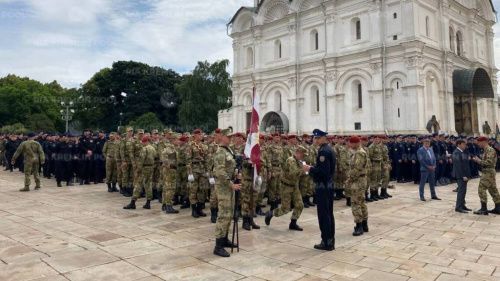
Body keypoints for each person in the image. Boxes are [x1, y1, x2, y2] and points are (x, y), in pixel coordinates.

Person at [303, 129, 336, 251]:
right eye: (314, 138)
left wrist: (309, 169)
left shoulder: (324, 152)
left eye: (317, 138)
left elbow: (323, 172)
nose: (315, 140)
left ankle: (327, 241)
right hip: (327, 185)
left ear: (323, 138)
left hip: (323, 186)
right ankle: (329, 240)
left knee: (324, 215)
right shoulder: (327, 149)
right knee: (328, 214)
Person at [265, 145, 306, 231]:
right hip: (286, 187)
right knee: (285, 209)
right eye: (303, 154)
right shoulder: (291, 160)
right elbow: (293, 174)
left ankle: (293, 223)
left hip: (294, 186)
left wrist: (304, 169)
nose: (303, 156)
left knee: (300, 205)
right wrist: (304, 170)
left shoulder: (298, 161)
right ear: (298, 153)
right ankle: (271, 213)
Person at [212, 129, 240, 257]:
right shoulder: (220, 152)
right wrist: (231, 183)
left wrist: (236, 174)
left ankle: (224, 239)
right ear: (222, 137)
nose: (230, 139)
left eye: (231, 136)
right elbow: (220, 172)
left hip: (230, 187)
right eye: (228, 137)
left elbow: (231, 167)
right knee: (223, 214)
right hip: (223, 187)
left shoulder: (229, 150)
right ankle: (218, 246)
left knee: (229, 214)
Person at [123, 136, 156, 210]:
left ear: (146, 141)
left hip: (144, 168)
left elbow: (141, 161)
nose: (143, 143)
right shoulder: (153, 148)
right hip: (150, 168)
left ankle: (133, 202)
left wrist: (138, 170)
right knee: (148, 185)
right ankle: (148, 203)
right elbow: (155, 157)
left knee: (138, 184)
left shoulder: (144, 149)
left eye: (143, 142)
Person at [472, 136, 500, 215]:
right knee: (493, 189)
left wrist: (478, 161)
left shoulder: (490, 150)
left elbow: (489, 162)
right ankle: (498, 207)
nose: (478, 144)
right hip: (488, 172)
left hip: (488, 172)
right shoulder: (486, 150)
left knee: (481, 189)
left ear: (483, 142)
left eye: (479, 142)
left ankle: (483, 209)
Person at [452, 139, 472, 213]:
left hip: (464, 175)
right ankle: (458, 207)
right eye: (463, 144)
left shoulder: (462, 152)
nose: (465, 146)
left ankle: (462, 205)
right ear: (459, 145)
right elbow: (458, 166)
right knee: (461, 191)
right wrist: (463, 175)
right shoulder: (456, 152)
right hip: (460, 175)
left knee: (463, 191)